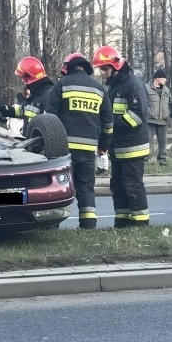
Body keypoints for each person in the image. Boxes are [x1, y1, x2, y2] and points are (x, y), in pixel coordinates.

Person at [45, 52, 114, 229]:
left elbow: (49, 119)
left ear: (68, 68)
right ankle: (89, 223)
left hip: (64, 148)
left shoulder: (62, 85)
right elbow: (107, 123)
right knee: (86, 186)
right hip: (89, 149)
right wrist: (104, 147)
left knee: (60, 185)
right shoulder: (99, 89)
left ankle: (52, 225)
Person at [92, 46, 150, 228]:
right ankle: (123, 224)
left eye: (105, 69)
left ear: (116, 66)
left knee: (132, 186)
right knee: (118, 187)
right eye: (101, 70)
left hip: (132, 148)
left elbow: (138, 115)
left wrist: (110, 123)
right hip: (118, 149)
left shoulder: (133, 85)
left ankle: (140, 225)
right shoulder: (114, 87)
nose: (103, 73)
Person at [0, 56, 54, 127]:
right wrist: (10, 110)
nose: (22, 81)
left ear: (29, 78)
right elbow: (27, 111)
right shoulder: (37, 95)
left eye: (23, 78)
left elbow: (50, 128)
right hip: (29, 138)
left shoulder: (48, 97)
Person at [144, 68, 172, 166]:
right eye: (164, 78)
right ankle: (144, 160)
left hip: (163, 121)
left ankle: (163, 161)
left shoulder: (167, 90)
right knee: (146, 141)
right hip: (150, 120)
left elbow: (170, 103)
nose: (166, 80)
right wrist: (148, 113)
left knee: (163, 142)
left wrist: (167, 114)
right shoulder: (146, 88)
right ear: (158, 78)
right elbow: (143, 103)